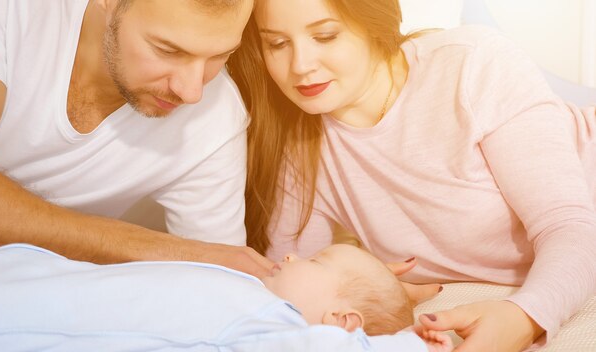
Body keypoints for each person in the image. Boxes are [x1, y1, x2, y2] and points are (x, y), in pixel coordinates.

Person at [225, 0, 596, 351]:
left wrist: (525, 316)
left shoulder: (471, 64)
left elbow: (570, 227)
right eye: (276, 44)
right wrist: (368, 281)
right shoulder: (300, 152)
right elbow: (282, 289)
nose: (300, 65)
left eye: (326, 35)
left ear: (374, 21)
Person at [0, 0, 274, 276]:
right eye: (168, 50)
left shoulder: (216, 117)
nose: (192, 92)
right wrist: (157, 249)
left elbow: (218, 279)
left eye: (220, 56)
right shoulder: (6, 10)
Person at [0, 243, 454, 352]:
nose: (289, 256)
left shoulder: (276, 329)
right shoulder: (254, 295)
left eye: (315, 261)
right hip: (27, 278)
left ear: (342, 321)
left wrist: (410, 343)